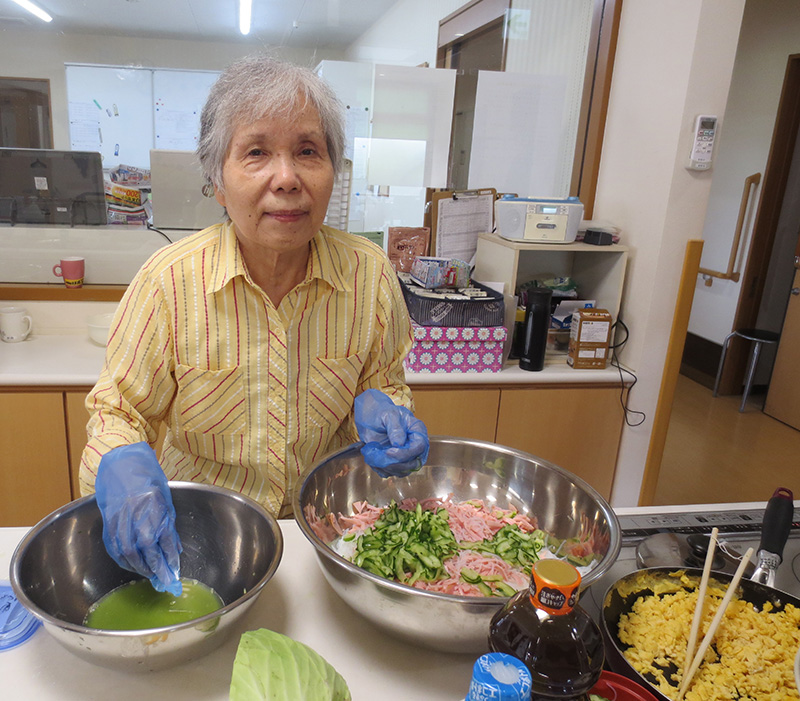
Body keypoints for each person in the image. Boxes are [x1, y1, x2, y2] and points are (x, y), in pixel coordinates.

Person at [79, 54, 429, 596]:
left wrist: (385, 405)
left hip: (328, 543)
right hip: (200, 542)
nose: (286, 178)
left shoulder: (370, 275)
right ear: (217, 180)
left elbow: (384, 380)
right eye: (257, 152)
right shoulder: (168, 283)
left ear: (334, 171)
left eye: (308, 151)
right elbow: (118, 410)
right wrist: (120, 459)